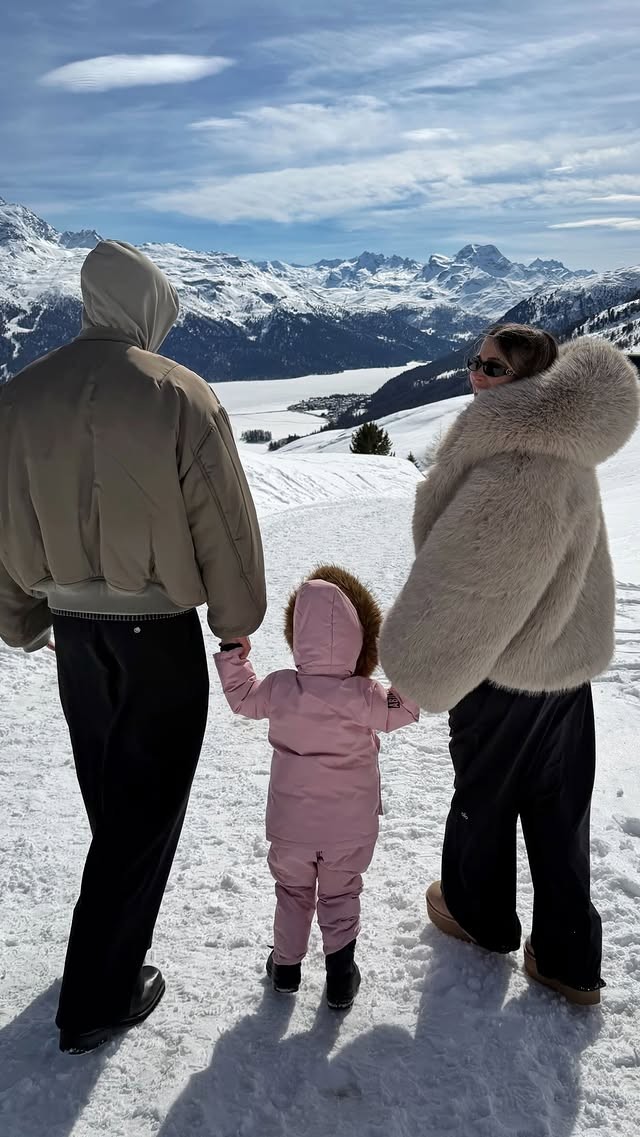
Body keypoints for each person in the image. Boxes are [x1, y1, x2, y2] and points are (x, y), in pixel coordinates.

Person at [0, 240, 267, 1052]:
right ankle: (97, 991)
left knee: (115, 795)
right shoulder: (176, 393)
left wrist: (22, 616)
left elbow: (4, 516)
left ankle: (112, 942)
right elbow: (220, 521)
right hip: (157, 633)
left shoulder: (19, 395)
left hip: (77, 633)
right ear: (149, 304)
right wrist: (236, 619)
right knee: (146, 810)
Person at [379, 324, 640, 1005]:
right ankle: (568, 956)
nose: (475, 374)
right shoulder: (567, 445)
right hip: (565, 669)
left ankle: (477, 912)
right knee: (559, 811)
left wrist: (416, 665)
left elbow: (469, 592)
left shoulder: (513, 462)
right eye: (474, 361)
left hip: (506, 671)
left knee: (483, 799)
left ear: (525, 381)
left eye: (491, 366)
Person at [215, 565, 419, 1010]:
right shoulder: (363, 694)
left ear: (297, 636)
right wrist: (409, 668)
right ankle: (341, 977)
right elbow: (400, 709)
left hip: (291, 828)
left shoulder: (281, 687)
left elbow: (242, 698)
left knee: (292, 893)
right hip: (349, 828)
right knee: (341, 894)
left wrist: (234, 655)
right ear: (358, 637)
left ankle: (286, 970)